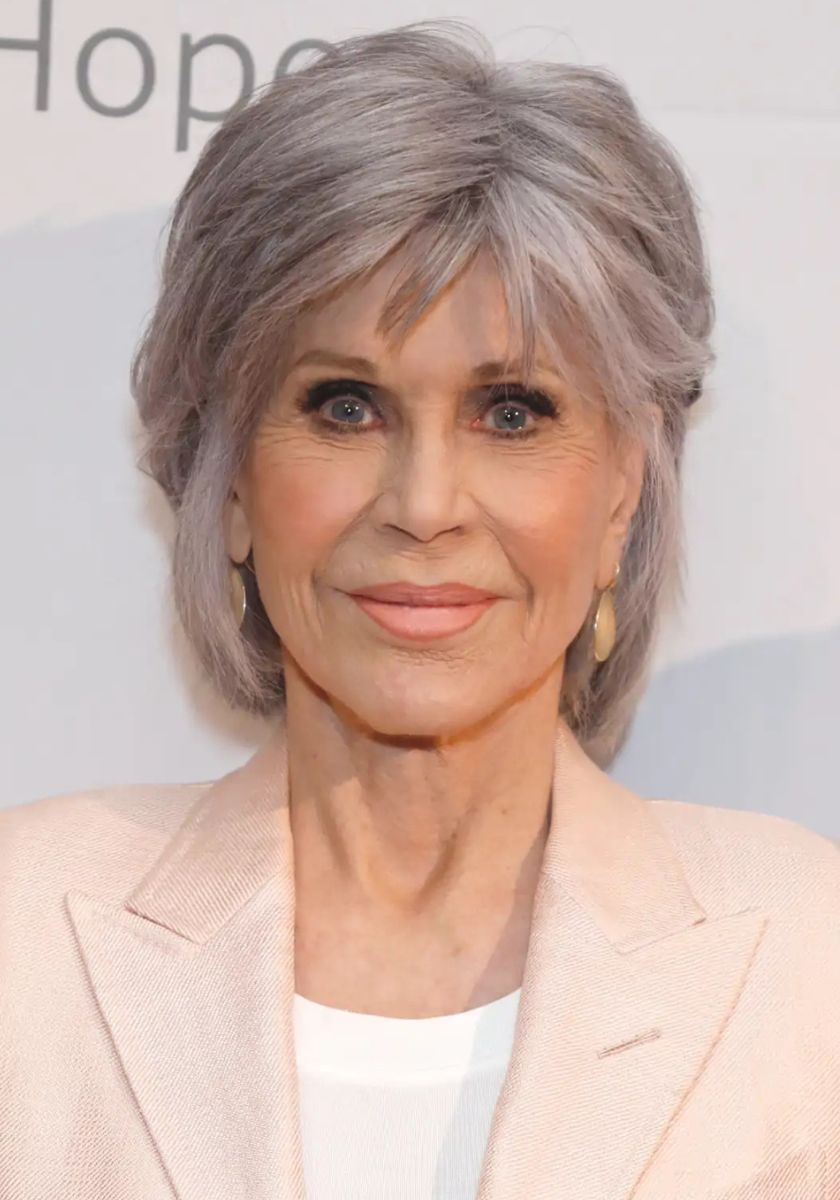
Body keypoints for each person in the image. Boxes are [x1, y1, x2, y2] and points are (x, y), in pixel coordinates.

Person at [2, 19, 838, 1200]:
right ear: (229, 484)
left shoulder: (804, 960)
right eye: (346, 407)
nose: (425, 505)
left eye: (513, 413)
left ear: (621, 493)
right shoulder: (26, 940)